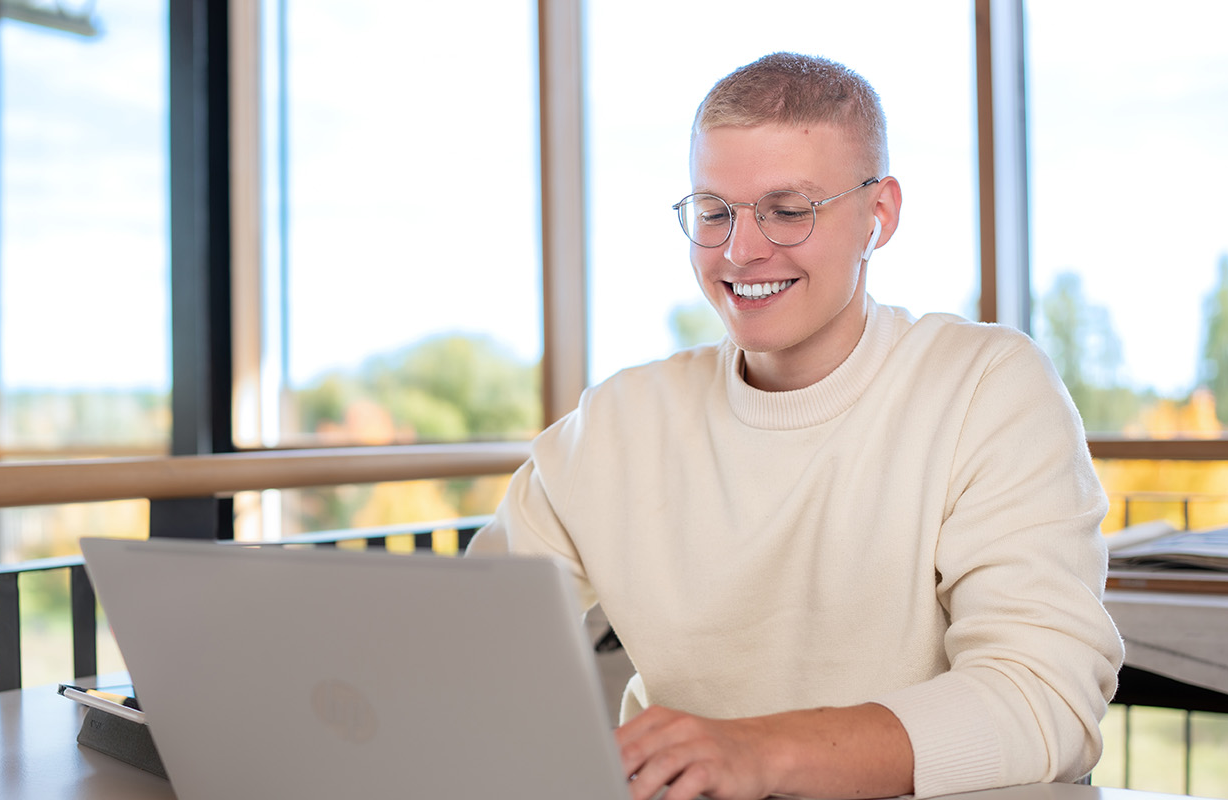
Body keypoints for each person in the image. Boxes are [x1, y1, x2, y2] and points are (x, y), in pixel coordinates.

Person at [466, 52, 1122, 800]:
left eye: (787, 210)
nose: (741, 251)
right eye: (713, 211)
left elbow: (1045, 699)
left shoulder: (987, 387)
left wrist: (755, 752)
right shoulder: (615, 424)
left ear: (880, 215)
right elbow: (468, 649)